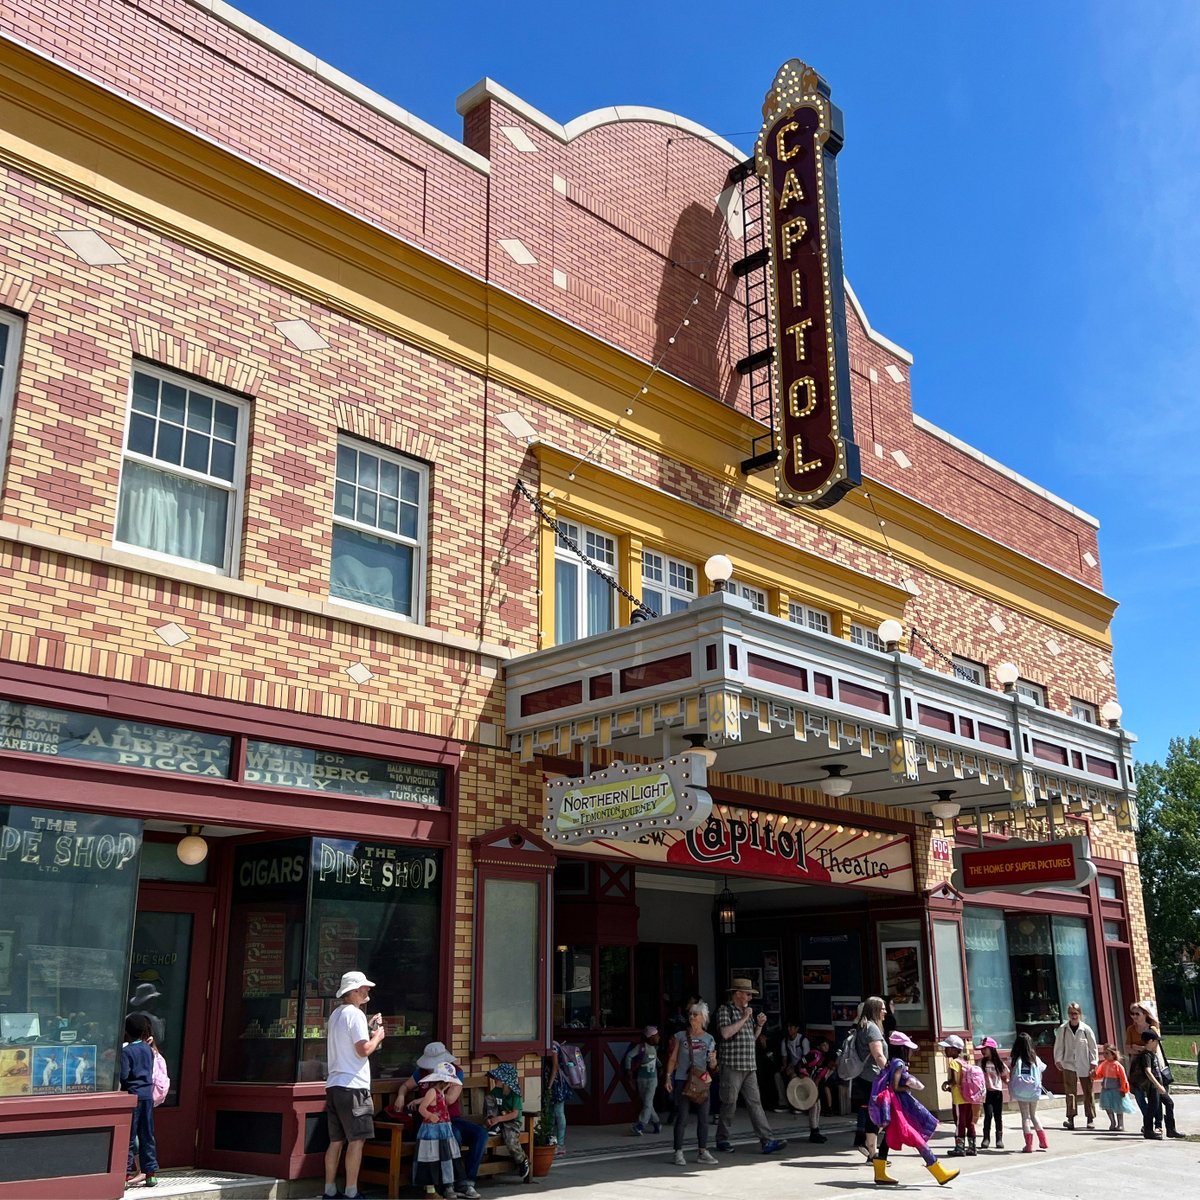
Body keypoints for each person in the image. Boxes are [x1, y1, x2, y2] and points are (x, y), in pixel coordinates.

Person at [392, 1042, 485, 1199]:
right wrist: (401, 1095)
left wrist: (422, 1099)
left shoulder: (455, 1072)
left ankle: (468, 1181)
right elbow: (405, 1086)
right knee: (454, 1136)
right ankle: (450, 1183)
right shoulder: (421, 1073)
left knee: (480, 1134)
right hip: (431, 1124)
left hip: (452, 1118)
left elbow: (449, 1099)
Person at [322, 970, 385, 1200]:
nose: (367, 990)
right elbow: (363, 1050)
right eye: (364, 987)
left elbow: (351, 1043)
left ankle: (329, 1190)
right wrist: (377, 1036)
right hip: (354, 1087)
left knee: (335, 1141)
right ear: (354, 990)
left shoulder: (336, 1014)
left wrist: (367, 1029)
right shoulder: (355, 1014)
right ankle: (351, 1192)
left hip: (334, 1084)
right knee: (356, 1141)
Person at [869, 1031, 958, 1186]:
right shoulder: (899, 1064)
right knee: (916, 1137)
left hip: (894, 1106)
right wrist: (909, 1087)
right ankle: (939, 1172)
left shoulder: (892, 1062)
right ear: (903, 1048)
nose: (911, 1051)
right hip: (899, 1108)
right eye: (908, 1048)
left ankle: (880, 1173)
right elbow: (895, 1086)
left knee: (888, 1138)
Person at [713, 977, 785, 1154]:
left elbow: (750, 1039)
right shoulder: (725, 1010)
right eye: (747, 994)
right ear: (737, 994)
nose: (749, 998)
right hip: (732, 1064)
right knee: (729, 1103)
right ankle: (722, 1139)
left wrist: (759, 1026)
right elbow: (725, 1033)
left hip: (749, 1065)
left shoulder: (748, 1013)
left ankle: (767, 1140)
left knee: (755, 1103)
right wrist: (744, 1018)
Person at [665, 1000, 719, 1166]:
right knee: (682, 1117)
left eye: (695, 1014)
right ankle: (678, 1151)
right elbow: (673, 1058)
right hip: (683, 1080)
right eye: (690, 1014)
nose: (691, 1017)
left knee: (703, 1118)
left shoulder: (709, 1039)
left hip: (702, 1081)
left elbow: (712, 1066)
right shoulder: (680, 1036)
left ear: (703, 1017)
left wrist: (713, 1062)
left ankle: (702, 1151)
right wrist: (668, 1076)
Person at [413, 1063, 466, 1199]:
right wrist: (430, 1116)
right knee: (431, 1158)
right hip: (432, 1131)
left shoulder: (441, 1093)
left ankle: (446, 1186)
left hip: (443, 1129)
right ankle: (430, 1191)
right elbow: (422, 1108)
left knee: (444, 1157)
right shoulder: (432, 1092)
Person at [121, 1014, 159, 1189]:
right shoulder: (148, 1050)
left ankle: (126, 1175)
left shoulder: (127, 1052)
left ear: (126, 1032)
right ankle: (150, 1174)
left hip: (133, 1096)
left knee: (129, 1136)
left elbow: (124, 1075)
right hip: (147, 1096)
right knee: (147, 1135)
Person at [850, 996, 889, 1161]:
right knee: (879, 1114)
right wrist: (890, 1070)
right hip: (873, 1078)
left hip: (863, 1078)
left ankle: (871, 1150)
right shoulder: (872, 1028)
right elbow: (878, 1054)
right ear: (875, 1010)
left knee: (873, 1113)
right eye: (882, 1009)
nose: (885, 1012)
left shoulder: (862, 1027)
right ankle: (872, 1151)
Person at [1129, 1029, 1184, 1139]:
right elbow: (1148, 1072)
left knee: (1169, 1103)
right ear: (1150, 1041)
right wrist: (1158, 1086)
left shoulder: (1152, 1054)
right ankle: (1148, 1131)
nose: (1158, 1043)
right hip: (1153, 1086)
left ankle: (1171, 1129)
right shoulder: (1146, 1056)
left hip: (1158, 1085)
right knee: (1152, 1108)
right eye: (1156, 1041)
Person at [1053, 1001, 1098, 1130]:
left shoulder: (1086, 1029)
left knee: (1088, 1091)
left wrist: (1093, 1062)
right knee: (1070, 1092)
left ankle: (1090, 1118)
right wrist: (1058, 1060)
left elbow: (1093, 1047)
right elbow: (1059, 1045)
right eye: (1071, 1013)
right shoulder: (1063, 1029)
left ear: (1080, 1014)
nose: (1073, 1016)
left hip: (1084, 1063)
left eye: (1075, 1013)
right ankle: (1070, 1118)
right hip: (1068, 1063)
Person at [484, 1063, 531, 1182]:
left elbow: (515, 1114)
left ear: (506, 1081)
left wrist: (499, 1119)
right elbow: (490, 1107)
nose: (495, 1080)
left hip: (512, 1122)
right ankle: (495, 1127)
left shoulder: (515, 1094)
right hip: (498, 1122)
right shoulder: (495, 1092)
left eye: (498, 1078)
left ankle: (522, 1160)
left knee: (510, 1139)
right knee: (482, 1133)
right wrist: (490, 1119)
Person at [1009, 1032, 1048, 1153]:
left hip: (1021, 1091)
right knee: (1034, 1115)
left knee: (1025, 1117)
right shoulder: (1035, 1059)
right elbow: (1041, 1072)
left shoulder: (1016, 1059)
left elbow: (1012, 1074)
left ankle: (1029, 1145)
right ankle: (1043, 1141)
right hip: (1034, 1090)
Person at [938, 1035, 974, 1156]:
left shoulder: (953, 1063)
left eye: (947, 1048)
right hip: (968, 1097)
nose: (945, 1050)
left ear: (954, 1049)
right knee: (970, 1122)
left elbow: (954, 1081)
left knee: (960, 1123)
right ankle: (972, 1147)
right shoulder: (964, 1062)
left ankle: (959, 1148)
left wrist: (946, 1084)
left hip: (958, 1099)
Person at [622, 1026, 661, 1135]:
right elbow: (629, 1056)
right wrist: (628, 1069)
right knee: (647, 1103)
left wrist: (661, 1066)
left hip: (652, 1079)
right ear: (650, 1037)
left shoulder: (654, 1048)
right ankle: (657, 1123)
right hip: (642, 1079)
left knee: (648, 1102)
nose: (658, 1037)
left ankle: (640, 1125)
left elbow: (656, 1060)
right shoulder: (641, 1047)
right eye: (656, 1035)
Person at [542, 1040, 573, 1149]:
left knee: (558, 1112)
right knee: (551, 1113)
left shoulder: (553, 1046)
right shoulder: (552, 1044)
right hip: (554, 1083)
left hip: (556, 1084)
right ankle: (551, 1140)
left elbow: (554, 1067)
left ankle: (560, 1143)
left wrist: (549, 1087)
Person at [1095, 1044, 1133, 1132]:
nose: (1105, 1055)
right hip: (1106, 1089)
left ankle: (1120, 1124)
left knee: (1118, 1107)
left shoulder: (1117, 1065)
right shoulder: (1104, 1064)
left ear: (1113, 1054)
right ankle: (1112, 1122)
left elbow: (1123, 1079)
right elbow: (1100, 1074)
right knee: (1108, 1107)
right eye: (1104, 1053)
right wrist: (1094, 1075)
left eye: (1107, 1053)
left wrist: (1124, 1089)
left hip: (1116, 1089)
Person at [774, 1019, 809, 1112]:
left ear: (797, 1028)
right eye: (788, 1027)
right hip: (791, 1066)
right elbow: (784, 1057)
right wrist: (784, 1066)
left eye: (791, 1027)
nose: (789, 1029)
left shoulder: (803, 1040)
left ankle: (797, 1105)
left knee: (793, 1077)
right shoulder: (785, 1041)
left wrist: (795, 1067)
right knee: (777, 1075)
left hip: (803, 1068)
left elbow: (807, 1058)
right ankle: (783, 1103)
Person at [127, 982, 166, 1047]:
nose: (154, 1002)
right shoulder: (152, 1020)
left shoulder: (128, 1017)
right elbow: (159, 1039)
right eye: (152, 999)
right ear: (149, 1001)